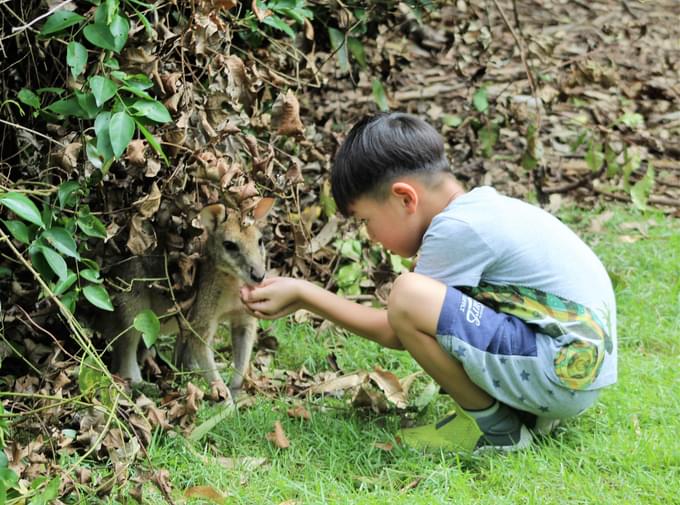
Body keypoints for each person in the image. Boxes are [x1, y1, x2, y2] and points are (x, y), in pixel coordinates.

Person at [240, 112, 617, 452]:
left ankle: (496, 429)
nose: (369, 236)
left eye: (366, 221)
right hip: (575, 371)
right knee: (430, 300)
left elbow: (396, 329)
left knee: (409, 296)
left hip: (563, 374)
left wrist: (307, 294)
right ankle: (522, 413)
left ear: (404, 198)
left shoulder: (455, 230)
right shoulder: (482, 209)